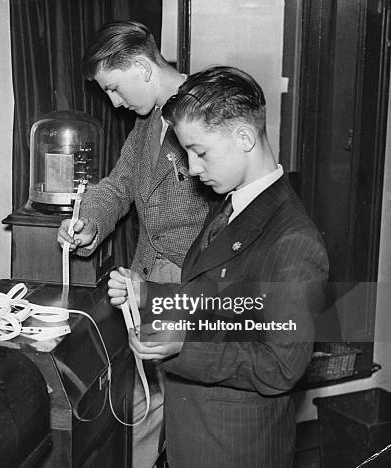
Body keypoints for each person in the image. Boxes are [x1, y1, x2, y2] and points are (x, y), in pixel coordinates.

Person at [107, 66, 329, 467]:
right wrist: (149, 294)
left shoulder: (293, 241)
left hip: (234, 449)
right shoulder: (230, 205)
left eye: (200, 152)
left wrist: (183, 347)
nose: (192, 168)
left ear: (244, 137)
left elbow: (280, 366)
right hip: (195, 435)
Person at [56, 20, 211, 468]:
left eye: (115, 88)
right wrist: (87, 222)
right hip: (147, 284)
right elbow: (120, 185)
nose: (114, 102)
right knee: (141, 403)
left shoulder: (209, 108)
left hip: (192, 285)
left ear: (143, 68)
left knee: (189, 415)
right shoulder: (148, 124)